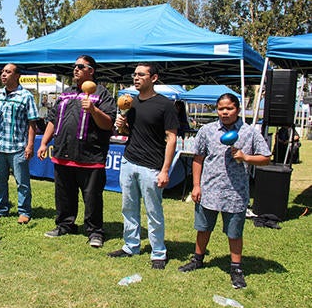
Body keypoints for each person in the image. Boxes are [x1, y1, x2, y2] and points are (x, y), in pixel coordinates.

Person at [178, 93, 271, 289]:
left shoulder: (249, 132)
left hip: (235, 192)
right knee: (203, 228)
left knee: (234, 232)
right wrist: (196, 185)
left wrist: (245, 157)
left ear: (237, 109)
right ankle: (197, 259)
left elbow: (266, 157)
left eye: (229, 108)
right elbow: (198, 158)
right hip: (209, 189)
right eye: (221, 109)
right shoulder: (207, 130)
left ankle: (236, 268)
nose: (225, 112)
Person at [38, 55, 116, 248]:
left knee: (92, 197)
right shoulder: (66, 93)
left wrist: (94, 110)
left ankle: (95, 231)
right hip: (63, 152)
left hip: (90, 155)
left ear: (91, 70)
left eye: (80, 66)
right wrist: (44, 143)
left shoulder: (102, 93)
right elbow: (53, 119)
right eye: (74, 66)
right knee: (64, 194)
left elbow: (108, 124)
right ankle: (65, 224)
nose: (76, 69)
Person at [108, 62, 178, 269]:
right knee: (128, 207)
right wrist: (123, 127)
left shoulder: (165, 105)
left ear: (153, 78)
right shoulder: (132, 103)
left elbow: (171, 138)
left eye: (141, 74)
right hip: (129, 161)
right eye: (134, 74)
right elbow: (131, 133)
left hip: (151, 167)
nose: (135, 78)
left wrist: (165, 170)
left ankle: (158, 253)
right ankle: (131, 245)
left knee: (153, 211)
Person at [0, 63, 39, 224]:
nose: (3, 74)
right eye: (2, 71)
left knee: (22, 182)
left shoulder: (26, 96)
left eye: (8, 72)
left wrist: (30, 146)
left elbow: (32, 123)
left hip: (17, 147)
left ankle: (24, 211)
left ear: (17, 76)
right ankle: (0, 209)